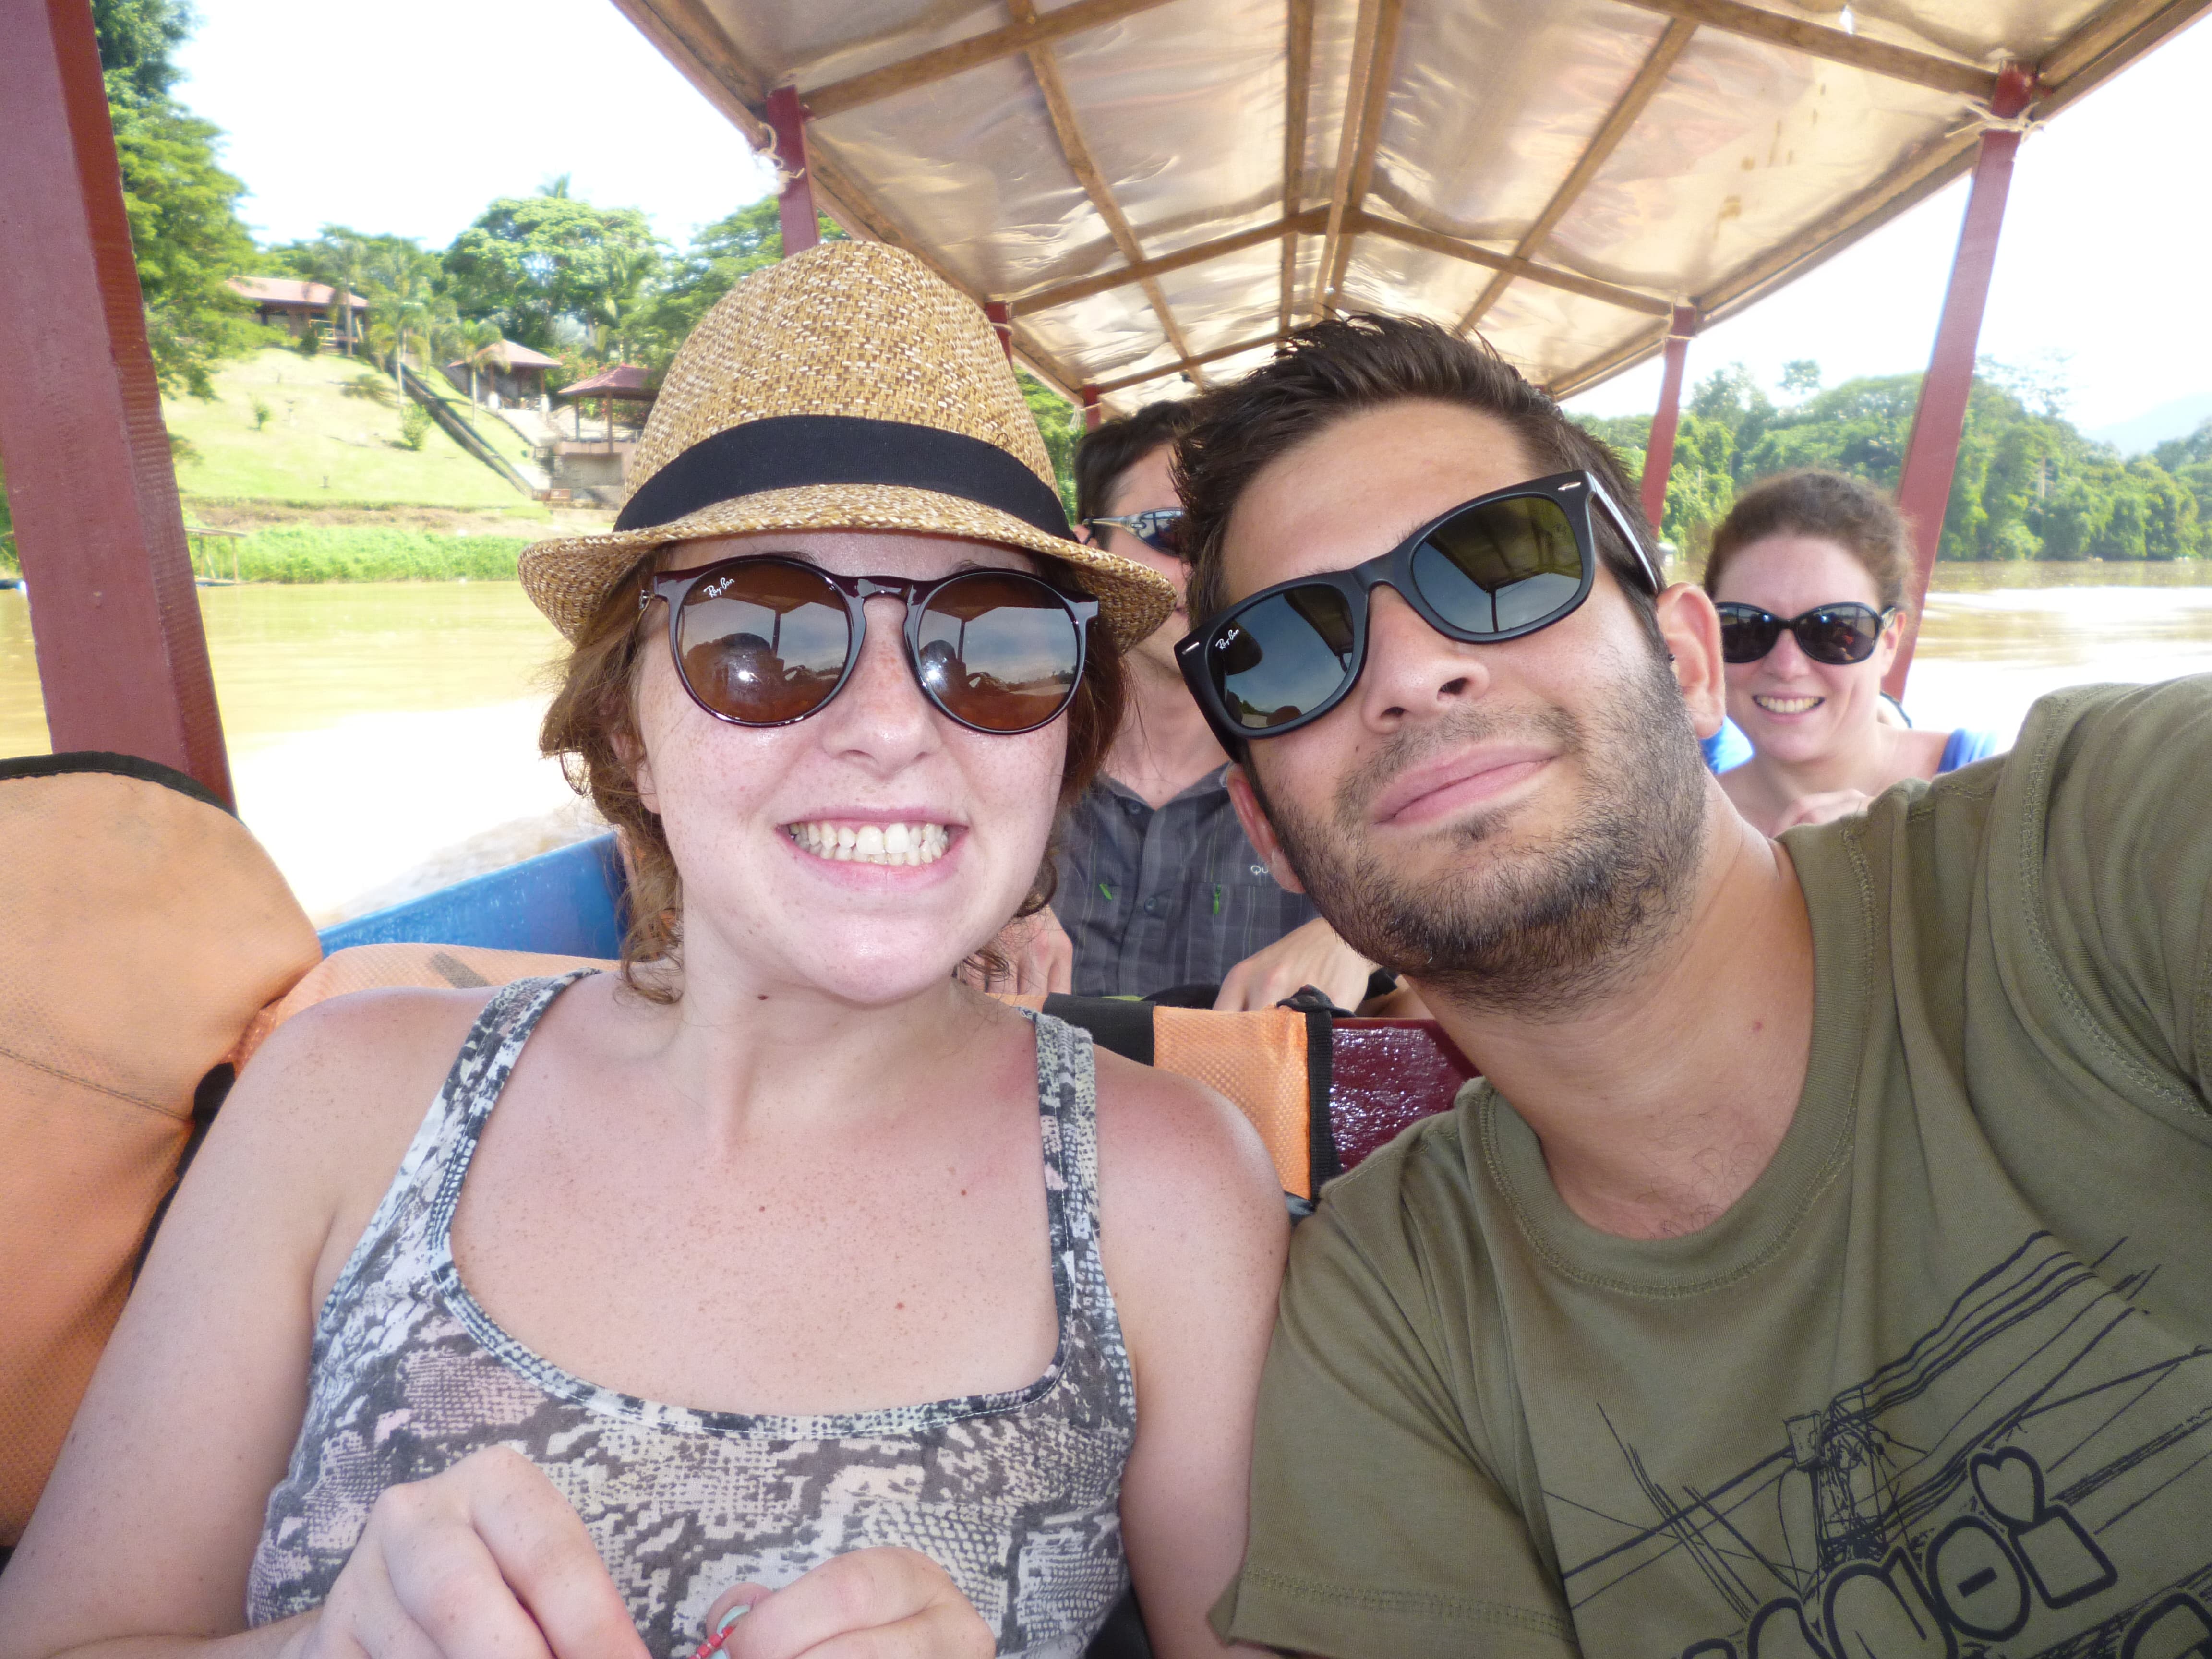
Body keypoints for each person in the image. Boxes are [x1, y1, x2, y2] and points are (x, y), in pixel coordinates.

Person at [0, 244, 1287, 1659]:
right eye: (763, 635)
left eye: (993, 646)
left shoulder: (1171, 1189)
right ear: (628, 730)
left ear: (1059, 730)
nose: (889, 727)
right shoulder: (342, 1102)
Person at [1162, 313, 2212, 1655]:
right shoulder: (1400, 1316)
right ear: (1266, 831)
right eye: (1294, 652)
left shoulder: (2100, 850)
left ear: (1688, 657)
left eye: (1498, 563)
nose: (1413, 671)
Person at [998, 401, 1382, 1011]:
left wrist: (1361, 940)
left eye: (1229, 541)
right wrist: (982, 914)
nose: (1207, 571)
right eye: (1176, 535)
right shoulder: (998, 749)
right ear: (1089, 547)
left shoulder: (1332, 766)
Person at [1706, 469, 1998, 833]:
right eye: (1746, 628)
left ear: (1888, 643)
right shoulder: (1676, 837)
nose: (1786, 665)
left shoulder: (1989, 783)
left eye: (1835, 629)